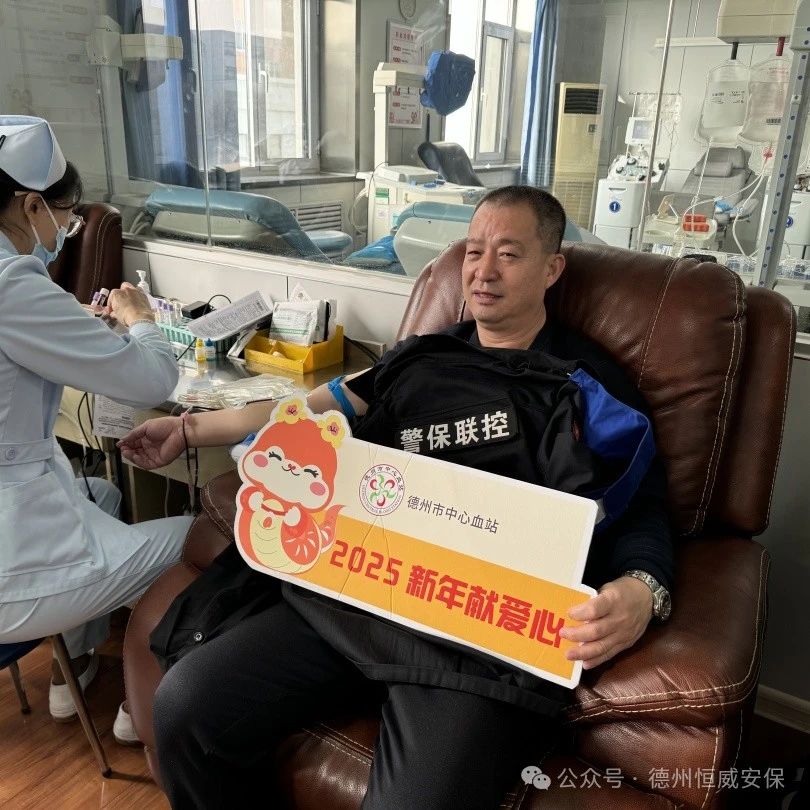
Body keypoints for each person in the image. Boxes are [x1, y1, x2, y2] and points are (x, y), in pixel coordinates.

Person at [119, 185, 673, 809]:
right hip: (359, 588)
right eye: (474, 251)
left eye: (510, 254)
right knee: (187, 706)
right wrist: (189, 429)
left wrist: (641, 590)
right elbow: (309, 409)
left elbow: (644, 508)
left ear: (552, 269)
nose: (483, 271)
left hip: (475, 631)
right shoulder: (422, 358)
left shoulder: (591, 390)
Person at [0, 116, 194, 742]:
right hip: (10, 556)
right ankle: (144, 701)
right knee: (203, 534)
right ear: (32, 205)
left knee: (104, 494)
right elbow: (155, 380)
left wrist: (71, 327)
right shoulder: (12, 284)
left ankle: (71, 670)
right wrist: (140, 318)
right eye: (65, 216)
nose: (65, 230)